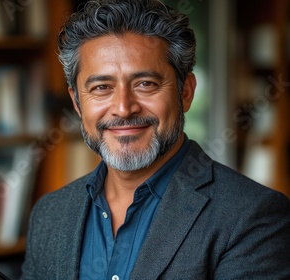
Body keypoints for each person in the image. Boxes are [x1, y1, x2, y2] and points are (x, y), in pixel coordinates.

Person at [20, 0, 290, 279]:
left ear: (185, 92)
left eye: (145, 84)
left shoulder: (252, 216)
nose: (124, 108)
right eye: (102, 87)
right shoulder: (49, 214)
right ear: (77, 103)